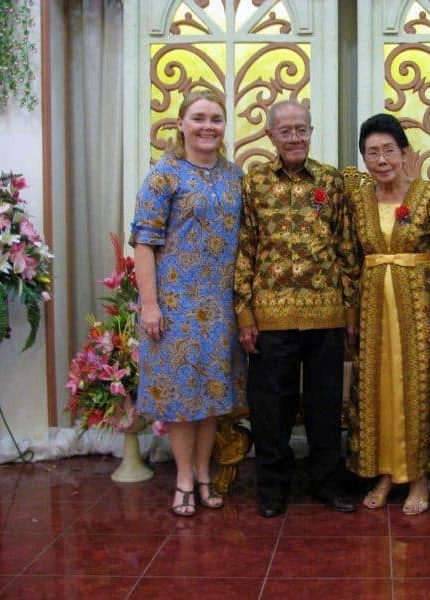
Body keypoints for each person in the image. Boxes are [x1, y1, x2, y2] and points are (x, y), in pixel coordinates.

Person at [235, 100, 359, 518]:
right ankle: (273, 487)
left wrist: (350, 312)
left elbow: (345, 249)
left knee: (326, 407)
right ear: (269, 135)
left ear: (311, 131)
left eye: (301, 129)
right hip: (270, 315)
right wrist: (244, 313)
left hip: (326, 314)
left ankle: (327, 482)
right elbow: (245, 250)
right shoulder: (253, 183)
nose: (294, 138)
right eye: (285, 130)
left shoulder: (331, 181)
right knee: (272, 408)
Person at [131, 89, 245, 517]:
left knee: (212, 396)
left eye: (216, 118)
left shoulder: (233, 175)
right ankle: (182, 478)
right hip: (175, 305)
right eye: (198, 118)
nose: (208, 126)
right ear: (181, 124)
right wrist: (150, 304)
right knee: (181, 400)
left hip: (220, 306)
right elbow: (144, 242)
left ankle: (203, 473)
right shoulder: (164, 174)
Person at [344, 113, 430, 516]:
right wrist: (351, 315)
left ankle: (419, 476)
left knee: (417, 388)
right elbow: (350, 258)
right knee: (378, 390)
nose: (380, 160)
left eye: (388, 150)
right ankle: (385, 472)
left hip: (419, 310)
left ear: (404, 152)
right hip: (374, 311)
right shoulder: (357, 199)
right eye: (371, 152)